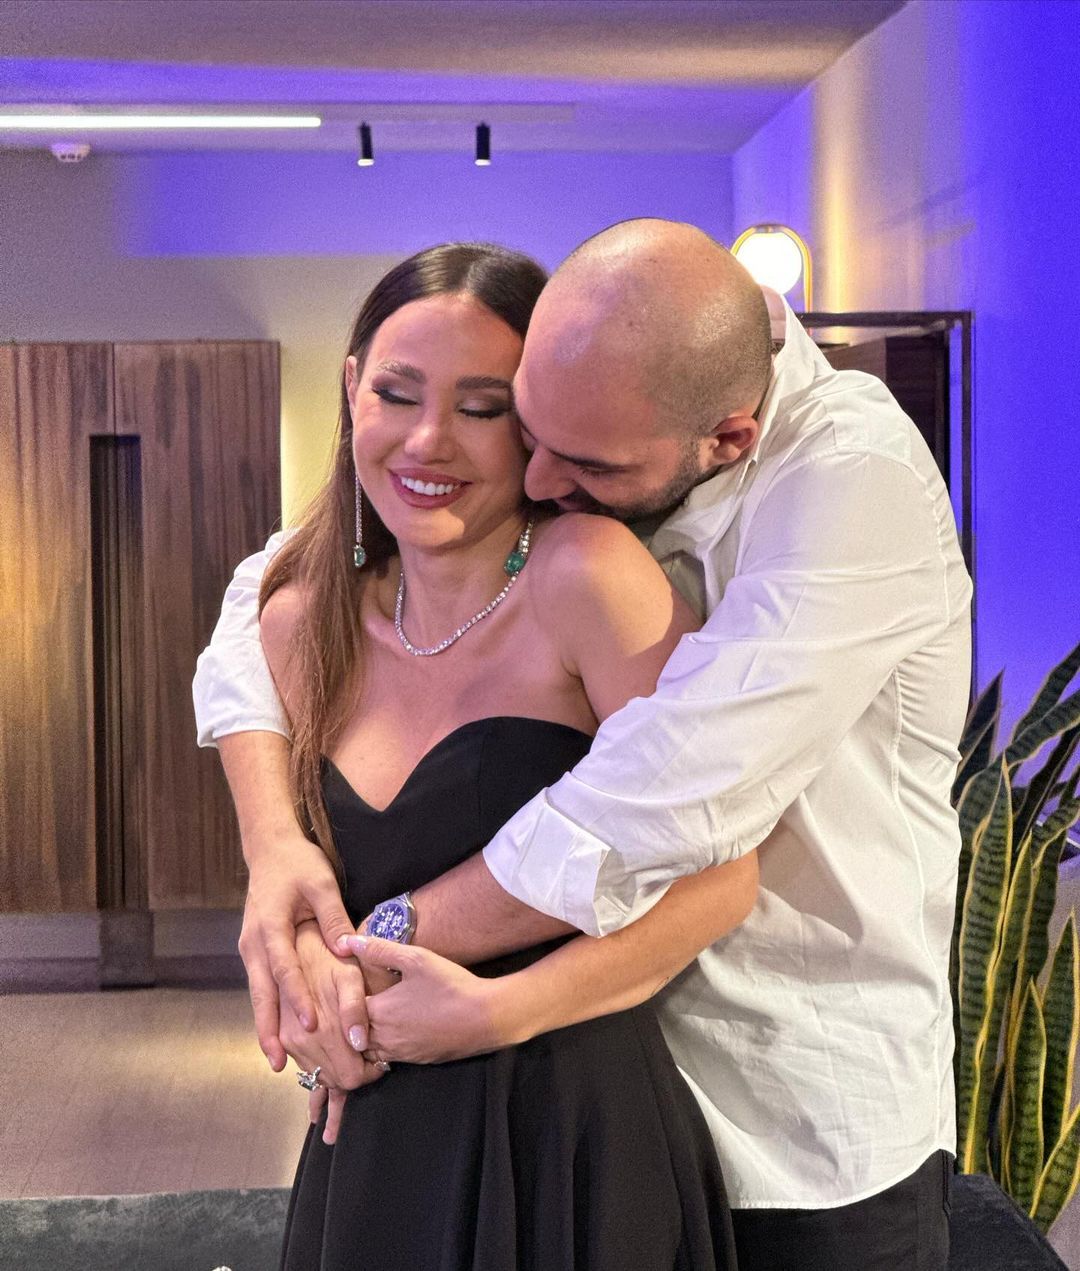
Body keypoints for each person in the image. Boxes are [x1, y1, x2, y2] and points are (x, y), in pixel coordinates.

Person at [194, 219, 972, 1270]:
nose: (544, 476)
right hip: (497, 1085)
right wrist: (273, 850)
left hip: (795, 1101)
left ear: (725, 439)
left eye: (491, 413)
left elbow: (664, 802)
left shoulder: (847, 488)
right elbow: (264, 596)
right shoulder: (628, 367)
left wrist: (354, 957)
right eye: (532, 423)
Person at [243, 239, 750, 1269]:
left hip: (572, 1124)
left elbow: (723, 875)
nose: (430, 440)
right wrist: (311, 981)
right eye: (396, 394)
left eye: (483, 407)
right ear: (352, 390)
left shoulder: (587, 577)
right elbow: (302, 888)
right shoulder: (299, 623)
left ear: (538, 422)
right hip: (376, 1133)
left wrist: (497, 1013)